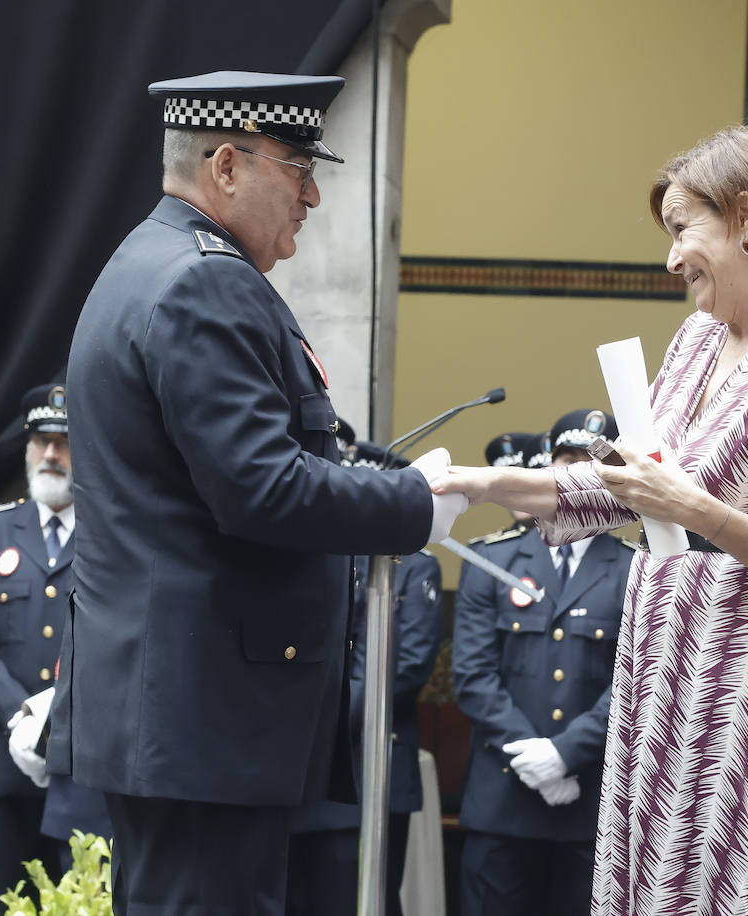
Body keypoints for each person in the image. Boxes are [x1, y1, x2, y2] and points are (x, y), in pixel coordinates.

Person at [433, 125, 748, 915]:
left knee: (725, 883)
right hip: (655, 660)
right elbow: (623, 491)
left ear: (745, 219)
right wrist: (481, 482)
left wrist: (698, 510)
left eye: (682, 230)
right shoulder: (699, 340)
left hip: (744, 678)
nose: (671, 259)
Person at [62, 70, 463, 914]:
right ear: (227, 166)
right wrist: (417, 503)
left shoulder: (152, 261)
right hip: (207, 716)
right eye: (297, 166)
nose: (313, 194)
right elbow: (262, 490)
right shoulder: (204, 281)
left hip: (187, 713)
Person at [454, 412, 631, 916]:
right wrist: (533, 757)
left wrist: (566, 754)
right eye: (565, 461)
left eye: (590, 463)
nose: (576, 473)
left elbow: (637, 682)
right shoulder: (493, 561)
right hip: (504, 798)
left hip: (594, 803)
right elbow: (473, 675)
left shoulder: (636, 568)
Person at [286, 443, 443, 916]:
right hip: (298, 768)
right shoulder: (308, 556)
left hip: (367, 760)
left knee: (362, 899)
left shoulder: (412, 562)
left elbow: (408, 662)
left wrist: (319, 718)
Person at [0, 384, 78, 897]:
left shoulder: (109, 533)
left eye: (65, 441)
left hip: (78, 764)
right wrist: (23, 717)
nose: (51, 454)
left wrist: (56, 719)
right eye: (40, 440)